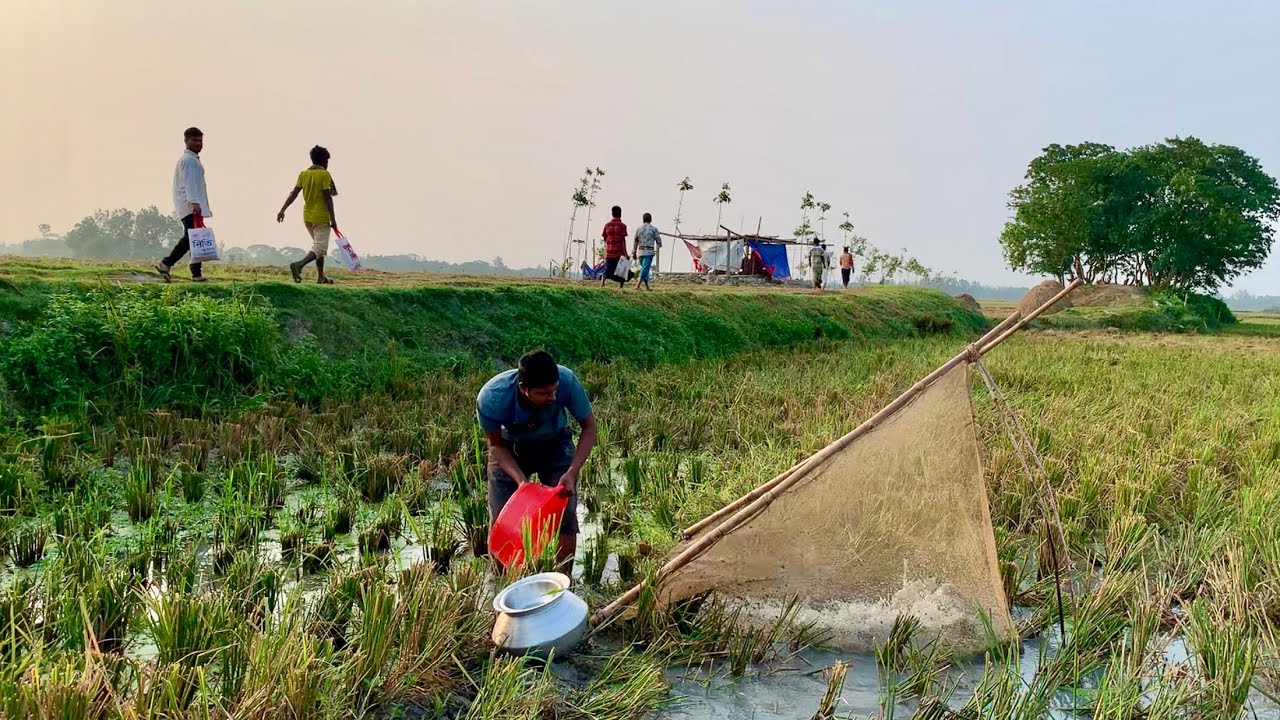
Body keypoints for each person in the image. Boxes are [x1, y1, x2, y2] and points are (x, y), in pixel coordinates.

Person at [477, 350, 598, 573]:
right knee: (502, 521)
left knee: (566, 515)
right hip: (510, 448)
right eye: (543, 393)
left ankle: (562, 582)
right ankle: (504, 584)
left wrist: (572, 471)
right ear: (524, 388)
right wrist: (522, 483)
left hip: (554, 444)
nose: (552, 397)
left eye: (555, 391)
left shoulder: (567, 381)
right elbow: (495, 446)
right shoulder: (493, 397)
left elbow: (589, 426)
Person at [156, 127, 212, 283]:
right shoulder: (189, 161)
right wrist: (194, 203)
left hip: (189, 205)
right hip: (190, 205)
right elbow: (190, 184)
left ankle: (196, 273)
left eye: (200, 141)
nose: (198, 144)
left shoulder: (190, 160)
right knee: (191, 238)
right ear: (186, 141)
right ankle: (166, 263)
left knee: (195, 238)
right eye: (194, 140)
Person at [277, 145, 338, 284]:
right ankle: (299, 265)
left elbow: (294, 193)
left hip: (307, 217)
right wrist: (333, 218)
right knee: (320, 248)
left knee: (318, 248)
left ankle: (321, 277)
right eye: (327, 161)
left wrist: (282, 210)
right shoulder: (324, 174)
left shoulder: (303, 174)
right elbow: (327, 197)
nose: (327, 164)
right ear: (323, 160)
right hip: (321, 216)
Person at [631, 212, 663, 290]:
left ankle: (647, 287)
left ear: (643, 220)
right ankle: (638, 285)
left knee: (644, 269)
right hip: (649, 251)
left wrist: (634, 252)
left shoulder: (639, 229)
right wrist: (659, 244)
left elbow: (635, 241)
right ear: (650, 220)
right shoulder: (654, 229)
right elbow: (659, 241)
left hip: (640, 251)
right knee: (645, 269)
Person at [600, 205, 629, 288]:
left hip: (609, 251)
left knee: (607, 268)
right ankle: (621, 286)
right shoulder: (622, 226)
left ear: (612, 214)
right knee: (622, 269)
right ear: (620, 214)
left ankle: (602, 283)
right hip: (619, 252)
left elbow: (605, 238)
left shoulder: (607, 225)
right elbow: (623, 240)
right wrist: (625, 253)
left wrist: (607, 249)